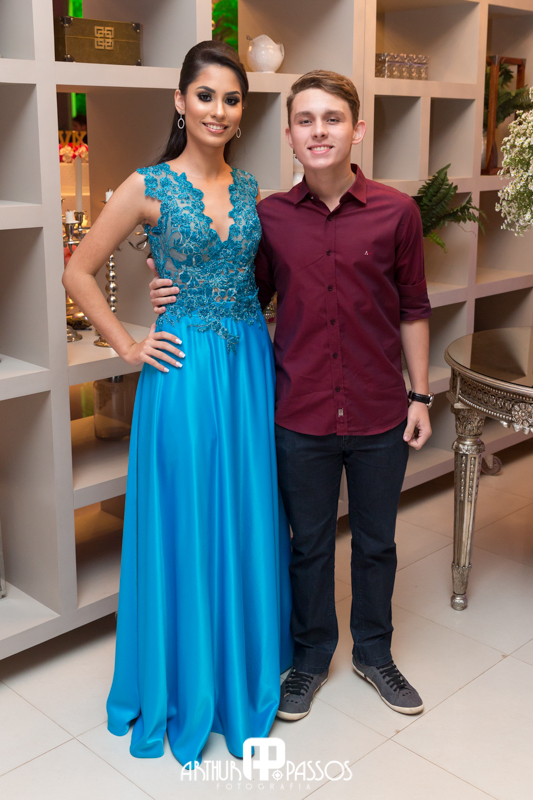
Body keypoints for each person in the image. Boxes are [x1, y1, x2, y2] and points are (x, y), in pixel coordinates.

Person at [148, 69, 432, 721]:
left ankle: (374, 653)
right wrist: (163, 281)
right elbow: (239, 295)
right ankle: (308, 660)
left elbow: (413, 310)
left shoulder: (398, 212)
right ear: (289, 136)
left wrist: (419, 396)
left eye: (332, 118)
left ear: (357, 129)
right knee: (307, 544)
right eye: (305, 120)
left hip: (379, 411)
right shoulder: (268, 217)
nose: (318, 131)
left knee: (376, 542)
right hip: (298, 412)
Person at [62, 40, 293, 767]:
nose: (218, 111)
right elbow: (77, 270)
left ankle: (239, 666)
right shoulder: (146, 184)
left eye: (232, 99)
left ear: (242, 110)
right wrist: (127, 346)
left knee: (245, 506)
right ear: (180, 101)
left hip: (248, 362)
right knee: (189, 511)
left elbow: (262, 274)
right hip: (183, 366)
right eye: (205, 95)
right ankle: (187, 678)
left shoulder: (252, 188)